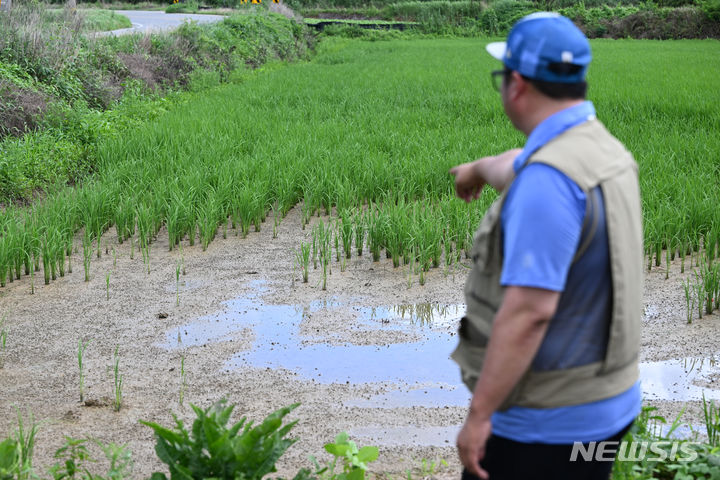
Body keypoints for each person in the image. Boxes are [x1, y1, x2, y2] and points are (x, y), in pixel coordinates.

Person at [448, 12, 643, 480]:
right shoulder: (602, 150)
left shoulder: (548, 183)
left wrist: (479, 418)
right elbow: (523, 164)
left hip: (546, 429)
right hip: (607, 412)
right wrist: (478, 167)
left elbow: (529, 312)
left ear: (516, 84)